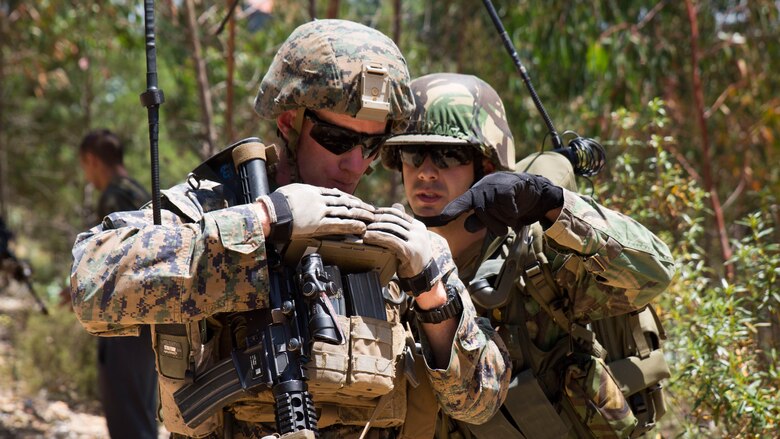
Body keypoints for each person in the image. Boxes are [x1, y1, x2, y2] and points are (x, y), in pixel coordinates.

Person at [71, 20, 509, 439]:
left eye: (370, 146)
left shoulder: (391, 240)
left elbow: (481, 401)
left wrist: (434, 296)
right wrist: (261, 222)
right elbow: (90, 285)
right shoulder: (217, 208)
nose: (355, 165)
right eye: (337, 141)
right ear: (289, 123)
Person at [380, 73, 676, 438]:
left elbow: (655, 271)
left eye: (448, 154)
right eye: (412, 154)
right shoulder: (388, 264)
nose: (425, 172)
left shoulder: (537, 255)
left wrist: (552, 205)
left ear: (486, 166)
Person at [77, 129, 159, 439]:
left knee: (128, 417)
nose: (88, 176)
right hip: (149, 319)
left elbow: (110, 266)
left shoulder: (113, 197)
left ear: (92, 160)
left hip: (123, 325)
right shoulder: (139, 191)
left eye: (85, 168)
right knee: (141, 411)